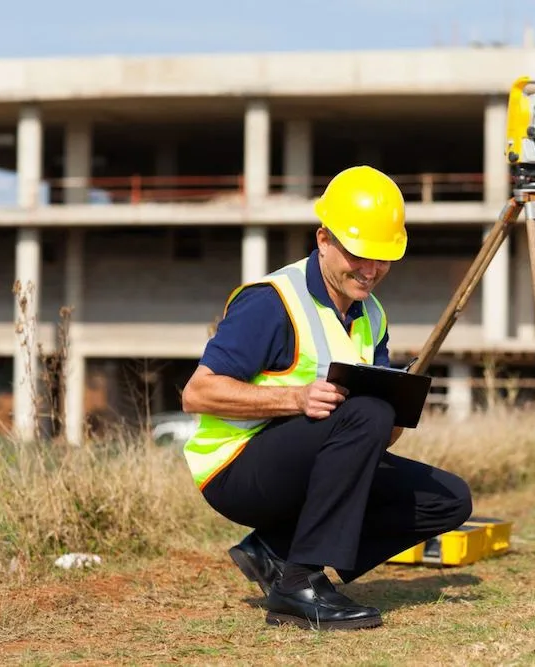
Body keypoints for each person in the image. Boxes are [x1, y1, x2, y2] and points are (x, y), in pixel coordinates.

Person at [180, 165, 473, 632]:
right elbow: (197, 393)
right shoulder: (271, 301)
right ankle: (300, 583)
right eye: (359, 255)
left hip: (302, 465)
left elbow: (367, 429)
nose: (371, 271)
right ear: (323, 240)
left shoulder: (371, 313)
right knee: (367, 409)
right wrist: (296, 399)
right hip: (234, 470)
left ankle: (274, 549)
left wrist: (395, 411)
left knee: (449, 500)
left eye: (383, 258)